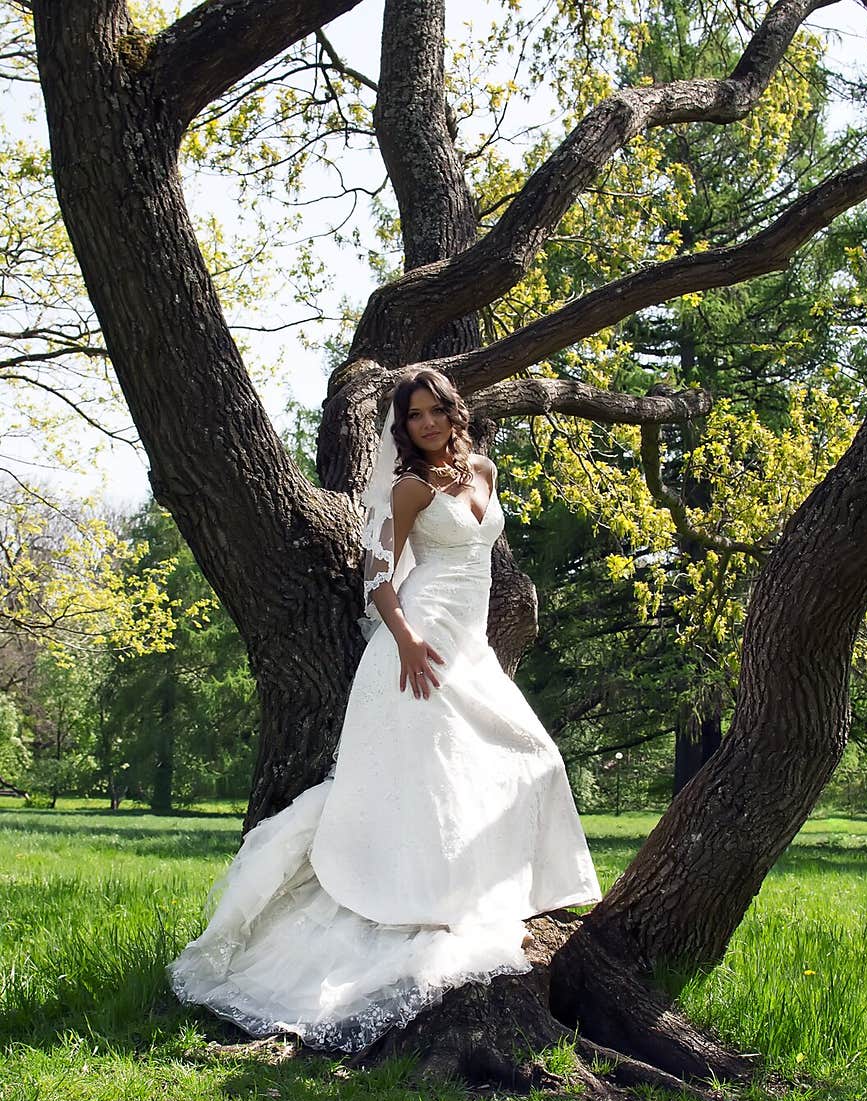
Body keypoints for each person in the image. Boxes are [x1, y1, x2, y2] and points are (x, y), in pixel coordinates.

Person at [168, 368, 601, 1051]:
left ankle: (511, 888)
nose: (427, 423)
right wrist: (405, 640)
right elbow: (376, 573)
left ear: (455, 412)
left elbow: (484, 559)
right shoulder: (408, 488)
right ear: (403, 429)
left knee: (533, 756)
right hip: (420, 645)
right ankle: (423, 900)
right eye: (414, 416)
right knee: (429, 783)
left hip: (470, 647)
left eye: (435, 411)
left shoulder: (484, 469)